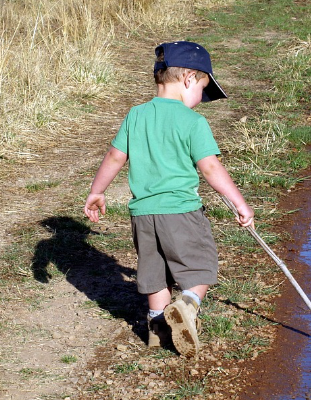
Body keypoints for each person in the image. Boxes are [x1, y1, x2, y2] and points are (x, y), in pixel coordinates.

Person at [83, 41, 254, 358]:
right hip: (181, 212)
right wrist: (239, 203)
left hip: (143, 215)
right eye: (203, 89)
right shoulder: (192, 122)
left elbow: (114, 156)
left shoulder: (136, 116)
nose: (201, 100)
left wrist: (97, 191)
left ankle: (157, 328)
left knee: (153, 273)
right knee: (200, 266)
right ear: (189, 78)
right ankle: (186, 307)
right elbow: (211, 167)